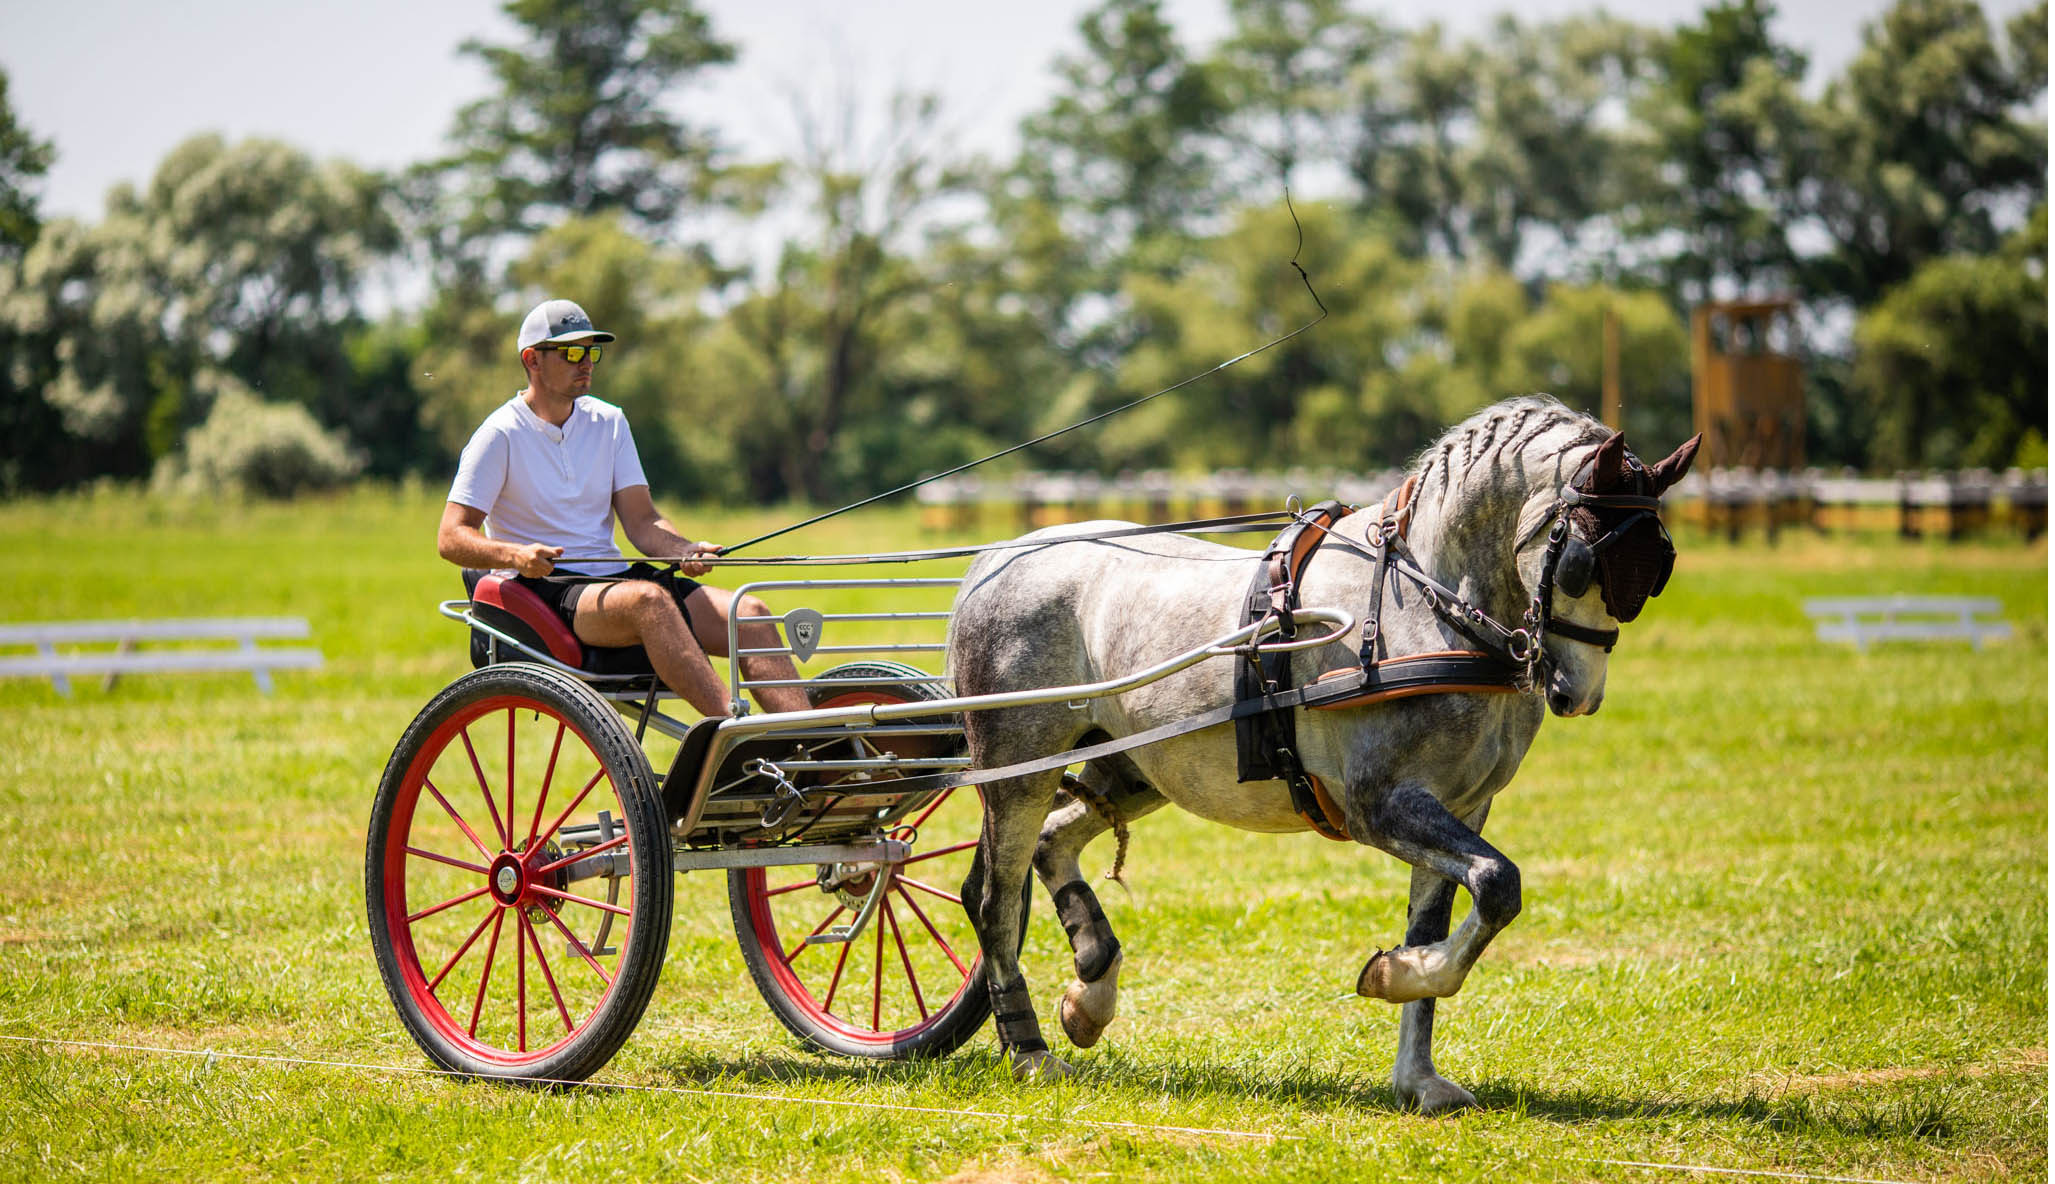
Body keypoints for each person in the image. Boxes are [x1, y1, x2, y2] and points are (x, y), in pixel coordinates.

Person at [436, 298, 810, 719]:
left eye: (591, 351)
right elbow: (451, 537)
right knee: (648, 601)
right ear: (532, 360)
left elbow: (643, 520)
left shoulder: (609, 422)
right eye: (571, 352)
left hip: (614, 582)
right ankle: (731, 734)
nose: (586, 363)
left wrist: (683, 549)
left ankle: (808, 752)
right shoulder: (499, 434)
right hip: (551, 589)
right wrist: (515, 554)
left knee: (751, 613)